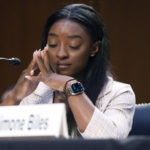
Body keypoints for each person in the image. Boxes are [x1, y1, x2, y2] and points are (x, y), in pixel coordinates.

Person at [1, 3, 135, 139]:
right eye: (53, 44)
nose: (61, 54)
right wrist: (14, 97)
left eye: (73, 46)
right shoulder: (36, 91)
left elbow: (109, 141)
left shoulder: (118, 93)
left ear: (94, 48)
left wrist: (70, 86)